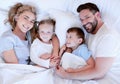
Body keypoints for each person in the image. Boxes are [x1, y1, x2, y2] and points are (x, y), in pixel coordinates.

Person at [56, 2, 120, 84]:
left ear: (97, 15)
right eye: (81, 20)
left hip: (109, 78)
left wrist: (66, 75)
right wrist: (66, 47)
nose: (84, 23)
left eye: (87, 17)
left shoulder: (107, 36)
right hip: (89, 73)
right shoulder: (90, 33)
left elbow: (99, 73)